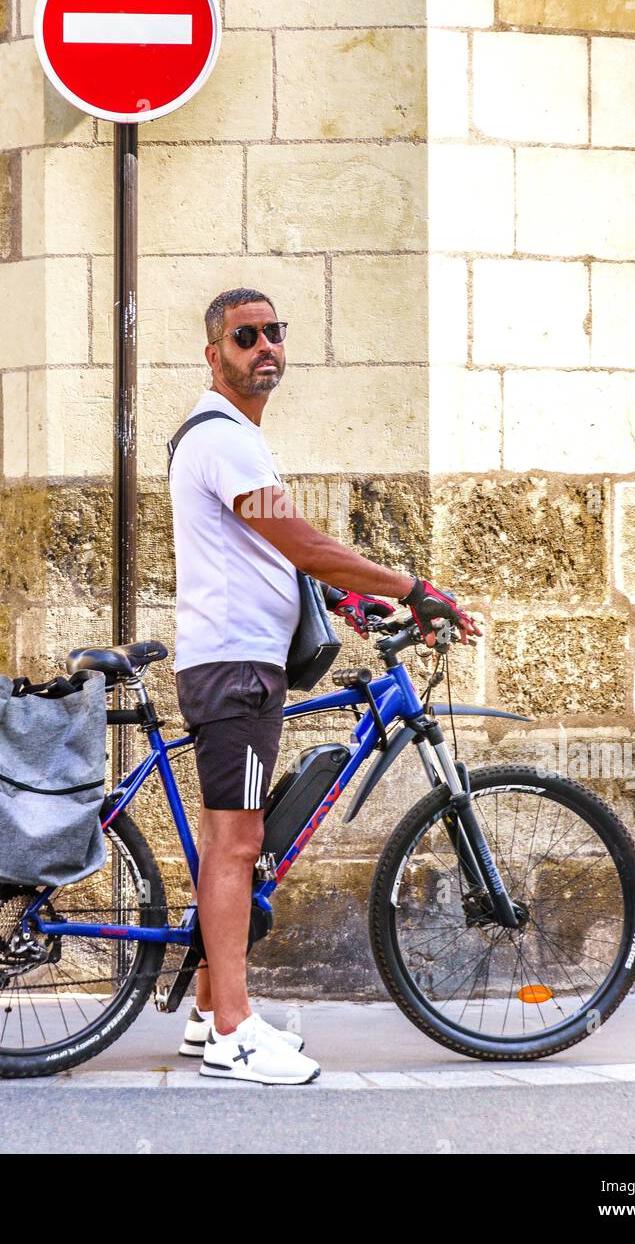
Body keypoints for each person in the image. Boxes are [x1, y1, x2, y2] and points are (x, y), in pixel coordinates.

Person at [168, 287, 482, 1084]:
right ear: (215, 354)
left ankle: (211, 1014)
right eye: (247, 336)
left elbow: (276, 551)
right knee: (237, 846)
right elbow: (302, 542)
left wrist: (348, 598)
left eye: (275, 332)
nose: (265, 345)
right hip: (234, 669)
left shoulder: (238, 440)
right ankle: (235, 1032)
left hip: (241, 665)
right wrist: (413, 588)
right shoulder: (223, 438)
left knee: (228, 845)